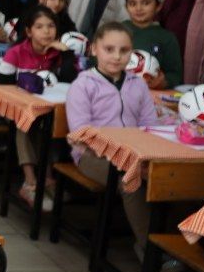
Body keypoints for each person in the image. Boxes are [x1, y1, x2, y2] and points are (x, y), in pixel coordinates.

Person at [65, 22, 157, 248]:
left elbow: (150, 125)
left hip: (135, 156)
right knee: (130, 180)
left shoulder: (138, 84)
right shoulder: (83, 85)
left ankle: (165, 244)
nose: (117, 56)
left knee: (165, 179)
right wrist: (118, 151)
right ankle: (148, 251)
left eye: (124, 50)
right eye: (109, 49)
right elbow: (81, 133)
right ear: (94, 49)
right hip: (91, 156)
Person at [2, 6, 79, 204]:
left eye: (51, 26)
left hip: (47, 111)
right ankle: (30, 181)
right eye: (39, 27)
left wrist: (67, 54)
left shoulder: (58, 53)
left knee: (49, 127)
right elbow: (0, 86)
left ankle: (47, 178)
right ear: (29, 31)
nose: (46, 31)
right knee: (25, 123)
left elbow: (71, 82)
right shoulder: (16, 52)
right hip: (14, 109)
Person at [122, 0, 181, 87]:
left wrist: (163, 82)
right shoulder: (116, 30)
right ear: (126, 7)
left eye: (146, 3)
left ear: (158, 6)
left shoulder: (167, 38)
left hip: (149, 91)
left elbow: (175, 75)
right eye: (133, 4)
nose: (139, 8)